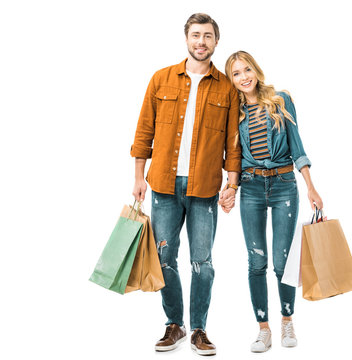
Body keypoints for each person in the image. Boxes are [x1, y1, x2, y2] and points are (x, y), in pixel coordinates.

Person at [130, 13, 241, 356]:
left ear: (216, 42)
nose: (201, 42)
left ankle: (198, 330)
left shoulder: (226, 87)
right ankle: (174, 324)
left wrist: (231, 185)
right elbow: (143, 131)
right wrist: (137, 177)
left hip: (205, 189)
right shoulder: (161, 79)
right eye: (196, 35)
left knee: (203, 262)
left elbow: (233, 145)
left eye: (208, 36)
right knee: (165, 257)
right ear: (186, 39)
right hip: (162, 184)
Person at [222, 50, 323, 353]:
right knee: (257, 262)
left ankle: (287, 320)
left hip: (283, 186)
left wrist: (311, 186)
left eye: (247, 69)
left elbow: (297, 143)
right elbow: (232, 156)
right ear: (232, 79)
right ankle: (262, 329)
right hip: (251, 187)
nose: (243, 77)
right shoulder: (234, 111)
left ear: (256, 70)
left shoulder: (280, 100)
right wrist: (231, 187)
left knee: (282, 263)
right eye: (236, 73)